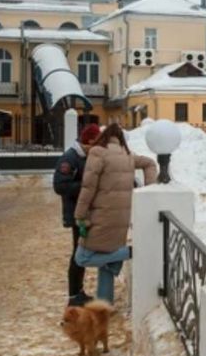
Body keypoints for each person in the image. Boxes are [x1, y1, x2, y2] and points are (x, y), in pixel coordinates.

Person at [73, 123, 157, 304]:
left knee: (82, 257)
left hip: (101, 216)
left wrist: (80, 214)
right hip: (121, 218)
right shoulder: (126, 155)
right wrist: (149, 189)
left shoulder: (98, 152)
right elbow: (150, 163)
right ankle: (105, 303)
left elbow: (88, 187)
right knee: (106, 263)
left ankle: (128, 252)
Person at [53, 123, 102, 307]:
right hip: (76, 213)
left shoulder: (83, 156)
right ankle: (74, 296)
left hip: (82, 212)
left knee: (80, 252)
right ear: (87, 142)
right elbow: (60, 186)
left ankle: (78, 292)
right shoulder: (70, 159)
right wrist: (86, 186)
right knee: (78, 254)